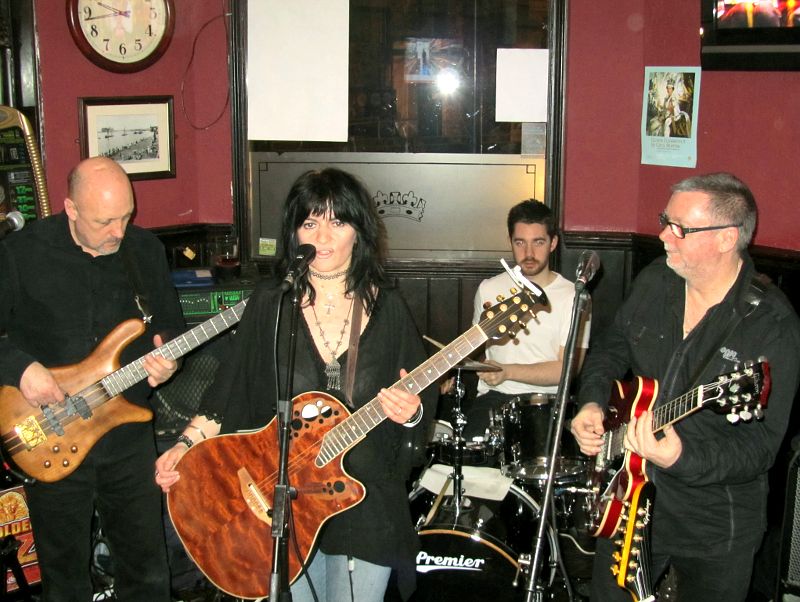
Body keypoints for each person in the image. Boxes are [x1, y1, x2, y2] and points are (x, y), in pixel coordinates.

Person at [155, 167, 437, 601]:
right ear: (294, 233)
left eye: (337, 222)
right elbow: (228, 391)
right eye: (310, 223)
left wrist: (411, 411)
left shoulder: (390, 308)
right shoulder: (271, 303)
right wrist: (185, 445)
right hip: (282, 501)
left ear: (358, 232)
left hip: (360, 497)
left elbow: (419, 397)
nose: (322, 237)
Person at [570, 172, 800, 601]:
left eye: (680, 228)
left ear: (727, 238)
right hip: (630, 497)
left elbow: (762, 447)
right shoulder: (657, 280)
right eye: (665, 220)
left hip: (713, 521)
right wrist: (591, 403)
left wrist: (681, 455)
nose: (662, 235)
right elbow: (610, 348)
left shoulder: (772, 325)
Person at [0, 156, 184, 600]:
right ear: (71, 209)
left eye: (125, 216)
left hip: (127, 435)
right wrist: (22, 368)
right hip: (50, 429)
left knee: (148, 574)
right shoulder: (21, 252)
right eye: (105, 221)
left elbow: (170, 325)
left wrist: (169, 360)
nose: (118, 232)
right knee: (64, 581)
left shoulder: (144, 250)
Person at [462, 199, 590, 439]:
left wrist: (507, 371)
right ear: (510, 241)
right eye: (520, 242)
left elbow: (567, 370)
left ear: (553, 243)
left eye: (538, 242)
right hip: (493, 398)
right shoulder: (489, 289)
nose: (528, 253)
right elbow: (478, 350)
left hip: (547, 403)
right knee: (467, 462)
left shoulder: (574, 297)